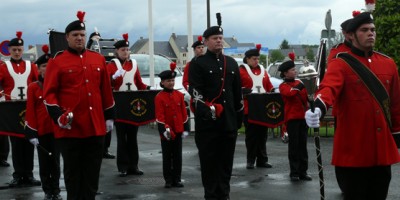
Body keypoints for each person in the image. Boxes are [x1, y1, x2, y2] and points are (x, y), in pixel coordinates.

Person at [305, 12, 400, 200]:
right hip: (354, 150)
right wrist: (319, 106)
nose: (370, 33)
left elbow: (396, 104)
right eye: (364, 30)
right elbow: (329, 87)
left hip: (382, 152)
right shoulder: (340, 63)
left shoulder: (388, 64)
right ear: (351, 35)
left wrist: (397, 135)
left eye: (372, 30)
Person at [43, 11, 115, 199]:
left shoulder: (98, 59)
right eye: (75, 35)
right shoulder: (57, 61)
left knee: (92, 174)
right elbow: (49, 93)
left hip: (95, 127)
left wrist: (109, 117)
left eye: (82, 35)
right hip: (71, 128)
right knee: (73, 175)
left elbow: (105, 91)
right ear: (67, 38)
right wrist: (58, 115)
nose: (79, 38)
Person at [188, 13, 243, 200]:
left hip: (228, 123)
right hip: (209, 125)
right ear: (206, 41)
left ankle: (224, 195)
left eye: (221, 38)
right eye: (215, 38)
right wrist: (207, 110)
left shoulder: (232, 63)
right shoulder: (198, 63)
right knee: (210, 165)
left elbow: (237, 95)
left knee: (226, 164)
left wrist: (238, 118)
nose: (219, 41)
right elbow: (196, 92)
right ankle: (211, 196)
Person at [106, 33, 150, 177]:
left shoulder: (134, 64)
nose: (126, 52)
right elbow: (106, 85)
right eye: (123, 50)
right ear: (117, 51)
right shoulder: (112, 65)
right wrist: (114, 78)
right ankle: (123, 166)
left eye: (127, 49)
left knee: (132, 137)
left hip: (132, 105)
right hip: (119, 105)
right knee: (121, 137)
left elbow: (138, 83)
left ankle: (134, 165)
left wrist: (148, 89)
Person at [0, 31, 41, 187]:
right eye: (14, 50)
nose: (17, 52)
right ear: (9, 50)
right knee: (16, 143)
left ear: (22, 50)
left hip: (28, 108)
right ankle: (18, 175)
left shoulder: (31, 66)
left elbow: (38, 84)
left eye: (19, 49)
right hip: (12, 109)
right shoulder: (4, 67)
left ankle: (29, 175)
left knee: (29, 141)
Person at [25, 45, 62, 200]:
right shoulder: (33, 87)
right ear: (38, 69)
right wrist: (32, 131)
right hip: (42, 131)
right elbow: (30, 111)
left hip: (57, 130)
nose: (47, 69)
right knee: (44, 163)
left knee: (56, 162)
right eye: (43, 66)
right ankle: (47, 190)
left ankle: (56, 190)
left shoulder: (59, 85)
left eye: (49, 66)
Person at [239, 44, 274, 169]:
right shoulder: (241, 71)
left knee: (262, 135)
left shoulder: (263, 71)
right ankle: (250, 160)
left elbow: (268, 85)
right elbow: (237, 87)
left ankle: (262, 160)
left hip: (263, 107)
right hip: (250, 108)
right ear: (247, 59)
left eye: (258, 59)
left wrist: (273, 91)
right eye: (254, 59)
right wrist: (245, 91)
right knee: (252, 136)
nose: (256, 61)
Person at [278, 53, 312, 182]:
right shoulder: (283, 86)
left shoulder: (299, 83)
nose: (295, 71)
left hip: (302, 118)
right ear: (285, 73)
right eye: (292, 70)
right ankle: (294, 172)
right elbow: (290, 94)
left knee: (302, 146)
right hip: (292, 119)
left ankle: (303, 171)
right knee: (294, 147)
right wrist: (301, 86)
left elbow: (305, 98)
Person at [155, 62, 189, 188]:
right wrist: (164, 130)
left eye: (173, 80)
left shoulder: (179, 95)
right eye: (168, 81)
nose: (171, 83)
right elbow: (160, 116)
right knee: (167, 156)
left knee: (178, 157)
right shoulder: (159, 97)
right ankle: (168, 179)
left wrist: (185, 128)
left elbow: (184, 114)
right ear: (162, 82)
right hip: (167, 132)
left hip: (178, 129)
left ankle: (177, 178)